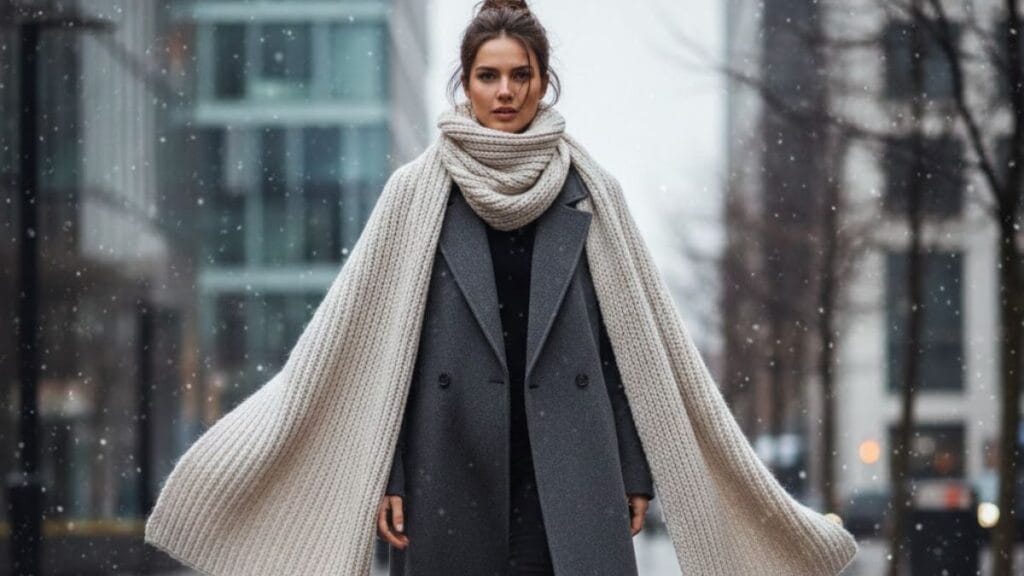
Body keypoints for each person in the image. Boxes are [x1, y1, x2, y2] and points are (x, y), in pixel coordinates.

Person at [376, 2, 654, 574]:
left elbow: (620, 346)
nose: (505, 91)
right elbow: (386, 349)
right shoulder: (417, 193)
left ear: (543, 84)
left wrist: (630, 467)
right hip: (448, 457)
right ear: (466, 84)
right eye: (489, 76)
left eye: (520, 75)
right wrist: (390, 472)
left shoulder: (591, 192)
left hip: (568, 463)